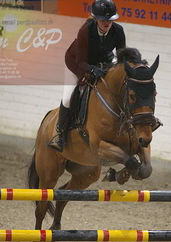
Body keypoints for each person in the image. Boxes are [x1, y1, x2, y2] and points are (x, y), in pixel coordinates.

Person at [49, 0, 126, 152]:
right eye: (103, 19)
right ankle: (60, 135)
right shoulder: (86, 30)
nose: (107, 23)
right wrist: (91, 70)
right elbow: (81, 62)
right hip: (76, 64)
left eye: (110, 20)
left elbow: (122, 57)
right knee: (68, 97)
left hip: (100, 63)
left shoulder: (118, 31)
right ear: (96, 18)